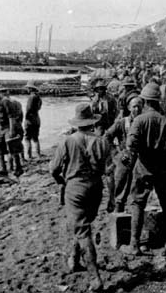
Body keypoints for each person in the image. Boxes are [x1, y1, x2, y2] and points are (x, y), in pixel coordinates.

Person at [50, 103, 110, 292]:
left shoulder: (68, 141)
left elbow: (53, 169)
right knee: (83, 224)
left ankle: (95, 278)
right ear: (92, 122)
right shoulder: (102, 141)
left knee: (83, 231)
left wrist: (61, 181)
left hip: (75, 188)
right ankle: (74, 260)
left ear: (77, 123)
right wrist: (113, 197)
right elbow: (109, 171)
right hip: (95, 188)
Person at [121, 83, 166, 256]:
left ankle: (134, 244)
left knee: (137, 204)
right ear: (159, 100)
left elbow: (130, 145)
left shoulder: (139, 120)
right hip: (164, 167)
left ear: (144, 100)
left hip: (144, 167)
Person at [104, 97, 144, 213]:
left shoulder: (144, 121)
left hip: (141, 158)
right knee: (121, 183)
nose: (137, 109)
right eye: (134, 106)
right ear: (129, 108)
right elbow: (107, 137)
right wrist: (116, 153)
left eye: (139, 106)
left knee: (140, 187)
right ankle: (118, 208)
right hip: (126, 157)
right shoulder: (122, 122)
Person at [24, 80, 42, 159]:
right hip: (37, 118)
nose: (27, 89)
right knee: (35, 138)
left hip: (30, 119)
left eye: (28, 88)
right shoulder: (38, 97)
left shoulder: (31, 97)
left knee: (27, 138)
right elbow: (39, 107)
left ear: (31, 89)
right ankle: (38, 154)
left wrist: (26, 119)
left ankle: (29, 155)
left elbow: (28, 109)